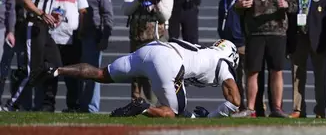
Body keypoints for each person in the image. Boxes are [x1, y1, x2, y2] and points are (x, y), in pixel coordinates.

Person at [46, 39, 241, 118]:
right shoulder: (223, 63)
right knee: (172, 112)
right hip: (169, 61)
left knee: (100, 74)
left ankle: (56, 70)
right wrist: (212, 117)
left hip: (152, 48)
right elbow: (235, 101)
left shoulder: (205, 50)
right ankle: (143, 107)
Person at [233, 0, 296, 118]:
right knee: (253, 71)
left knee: (277, 70)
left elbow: (294, 6)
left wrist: (286, 5)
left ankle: (276, 108)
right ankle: (251, 109)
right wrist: (240, 5)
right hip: (255, 32)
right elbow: (236, 7)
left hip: (277, 31)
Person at [4, 0, 62, 112]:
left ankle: (45, 104)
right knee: (32, 70)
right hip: (34, 26)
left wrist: (52, 15)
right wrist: (41, 13)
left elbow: (45, 3)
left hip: (44, 28)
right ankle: (11, 104)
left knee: (55, 64)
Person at [287, 0, 326, 118]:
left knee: (320, 75)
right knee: (297, 75)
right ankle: (298, 109)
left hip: (318, 39)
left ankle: (320, 108)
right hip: (298, 37)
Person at [50, 0, 89, 112]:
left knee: (72, 76)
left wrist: (81, 32)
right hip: (51, 38)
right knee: (50, 74)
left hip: (70, 39)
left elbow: (83, 11)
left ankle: (73, 105)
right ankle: (48, 105)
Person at [78, 0, 112, 113]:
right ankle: (77, 104)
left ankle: (92, 108)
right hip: (73, 36)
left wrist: (105, 37)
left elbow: (107, 15)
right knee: (75, 72)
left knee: (92, 73)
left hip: (92, 36)